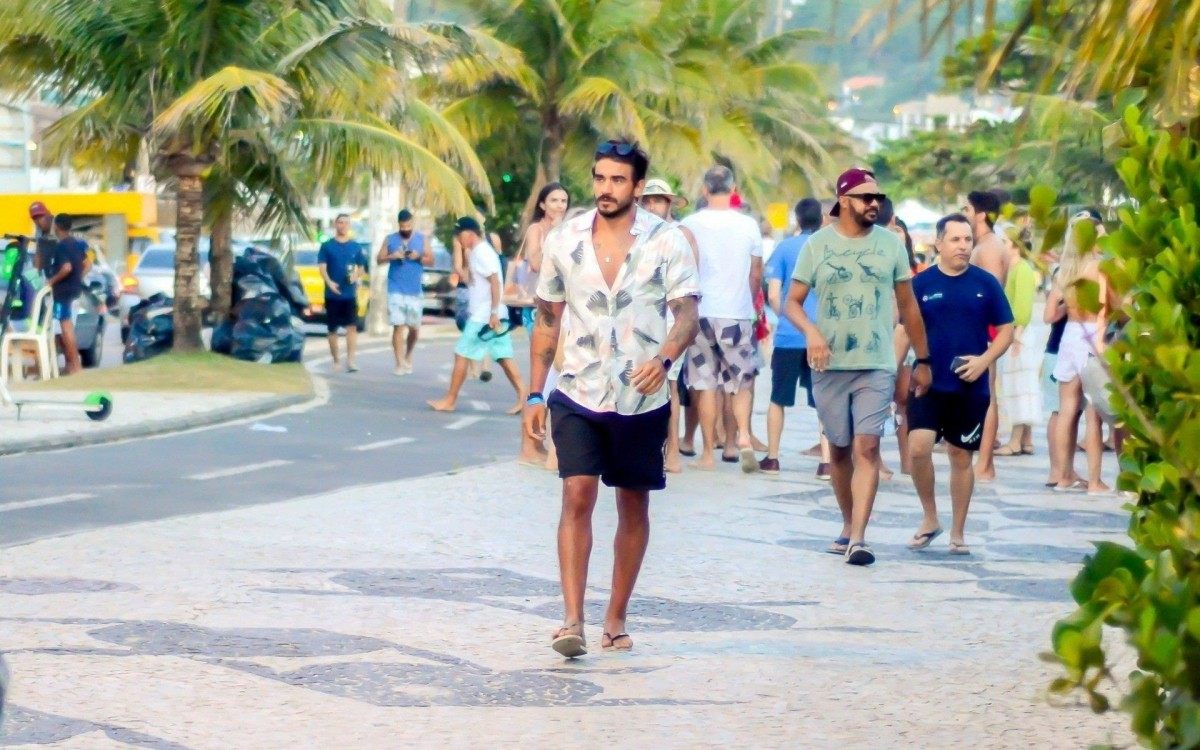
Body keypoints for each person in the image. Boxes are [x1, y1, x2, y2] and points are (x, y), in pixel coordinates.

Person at [524, 138, 700, 657]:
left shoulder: (668, 241)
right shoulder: (563, 239)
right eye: (600, 178)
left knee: (632, 504)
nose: (605, 188)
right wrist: (535, 390)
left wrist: (664, 359)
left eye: (617, 180)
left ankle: (615, 617)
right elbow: (546, 317)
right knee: (576, 493)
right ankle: (572, 620)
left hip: (641, 397)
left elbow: (688, 316)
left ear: (638, 187)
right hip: (576, 387)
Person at [784, 167, 932, 566]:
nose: (874, 204)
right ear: (844, 200)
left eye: (877, 198)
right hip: (828, 364)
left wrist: (923, 358)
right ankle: (848, 523)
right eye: (866, 197)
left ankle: (860, 539)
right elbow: (792, 301)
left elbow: (908, 306)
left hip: (876, 363)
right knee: (840, 451)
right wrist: (812, 333)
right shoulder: (817, 245)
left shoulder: (891, 245)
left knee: (868, 446)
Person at [903, 214, 1014, 555]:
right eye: (955, 240)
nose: (963, 246)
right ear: (938, 243)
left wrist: (984, 361)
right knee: (918, 448)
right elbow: (903, 328)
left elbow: (1007, 330)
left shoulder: (986, 284)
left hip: (970, 386)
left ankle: (958, 532)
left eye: (968, 240)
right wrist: (896, 370)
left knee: (959, 454)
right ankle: (930, 517)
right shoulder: (920, 285)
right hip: (928, 381)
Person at [682, 165, 764, 472]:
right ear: (733, 190)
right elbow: (756, 273)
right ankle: (738, 439)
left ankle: (706, 454)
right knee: (739, 383)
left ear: (705, 190)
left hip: (701, 313)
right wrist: (749, 303)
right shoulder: (748, 226)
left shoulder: (689, 224)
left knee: (705, 385)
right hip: (737, 313)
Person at [428, 217, 526, 414]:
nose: (458, 239)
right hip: (492, 312)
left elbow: (495, 282)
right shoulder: (476, 253)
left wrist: (493, 313)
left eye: (459, 235)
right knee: (504, 357)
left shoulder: (482, 253)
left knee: (462, 353)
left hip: (486, 315)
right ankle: (525, 398)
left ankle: (450, 400)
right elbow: (470, 279)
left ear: (470, 233)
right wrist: (461, 253)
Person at [759, 197, 824, 475]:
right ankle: (827, 462)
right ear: (821, 220)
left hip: (788, 336)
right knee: (823, 400)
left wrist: (786, 316)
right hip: (820, 337)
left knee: (778, 398)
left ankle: (772, 458)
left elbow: (773, 294)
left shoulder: (784, 248)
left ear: (797, 220)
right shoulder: (828, 248)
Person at [1047, 213, 1111, 495]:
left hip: (1069, 335)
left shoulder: (1065, 270)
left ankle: (1063, 476)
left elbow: (1049, 315)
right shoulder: (1100, 267)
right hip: (1092, 336)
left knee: (1066, 409)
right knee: (1093, 413)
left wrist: (1067, 307)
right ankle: (1095, 481)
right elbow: (1104, 310)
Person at [639, 178, 699, 474]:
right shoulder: (636, 234)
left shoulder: (680, 234)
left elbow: (690, 285)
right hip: (640, 321)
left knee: (670, 385)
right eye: (647, 200)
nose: (652, 205)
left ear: (669, 204)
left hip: (671, 321)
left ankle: (672, 450)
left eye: (658, 200)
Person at [513, 183, 571, 466]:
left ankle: (539, 442)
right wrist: (556, 237)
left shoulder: (569, 231)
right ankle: (529, 445)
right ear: (543, 205)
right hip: (540, 308)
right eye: (554, 200)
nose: (560, 205)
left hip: (561, 309)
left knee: (553, 377)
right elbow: (535, 264)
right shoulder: (538, 230)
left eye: (563, 200)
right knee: (541, 374)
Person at [963, 190, 1008, 481]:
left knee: (987, 396)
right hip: (980, 326)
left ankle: (985, 463)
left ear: (980, 214)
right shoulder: (986, 244)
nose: (964, 213)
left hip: (986, 328)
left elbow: (990, 290)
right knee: (982, 395)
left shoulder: (989, 247)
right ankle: (980, 459)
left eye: (967, 209)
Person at [995, 222, 1041, 456]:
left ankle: (1015, 441)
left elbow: (1022, 307)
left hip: (1017, 334)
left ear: (1012, 244)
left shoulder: (1021, 269)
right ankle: (1025, 439)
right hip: (1014, 333)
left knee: (1019, 387)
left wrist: (1016, 336)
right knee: (1020, 386)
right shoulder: (1014, 268)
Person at [377, 209, 432, 376]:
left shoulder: (422, 239)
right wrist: (391, 256)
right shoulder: (390, 239)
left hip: (414, 290)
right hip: (395, 288)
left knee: (414, 328)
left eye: (408, 225)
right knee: (398, 326)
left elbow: (431, 260)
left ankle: (408, 354)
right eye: (402, 226)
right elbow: (379, 259)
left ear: (412, 223)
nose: (405, 229)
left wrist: (418, 257)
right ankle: (399, 362)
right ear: (398, 225)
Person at [318, 214, 366, 372]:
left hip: (349, 295)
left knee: (351, 327)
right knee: (332, 329)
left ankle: (351, 361)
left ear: (349, 226)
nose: (343, 225)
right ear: (335, 224)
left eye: (346, 223)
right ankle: (336, 360)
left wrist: (355, 276)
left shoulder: (356, 247)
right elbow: (322, 267)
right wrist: (329, 282)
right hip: (332, 294)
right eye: (340, 222)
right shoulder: (327, 246)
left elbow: (361, 268)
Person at [45, 213, 88, 374]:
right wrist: (78, 278)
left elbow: (66, 268)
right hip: (75, 291)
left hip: (64, 294)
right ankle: (72, 365)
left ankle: (76, 366)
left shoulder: (61, 246)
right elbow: (87, 263)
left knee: (66, 328)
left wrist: (51, 281)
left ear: (56, 226)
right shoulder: (76, 244)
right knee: (66, 328)